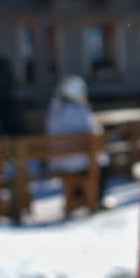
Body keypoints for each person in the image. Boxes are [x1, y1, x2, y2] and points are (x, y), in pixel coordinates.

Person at [45, 75, 111, 204]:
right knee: (101, 161)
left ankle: (78, 198)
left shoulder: (55, 108)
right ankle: (94, 199)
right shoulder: (76, 109)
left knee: (95, 160)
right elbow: (92, 130)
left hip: (59, 158)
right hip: (78, 158)